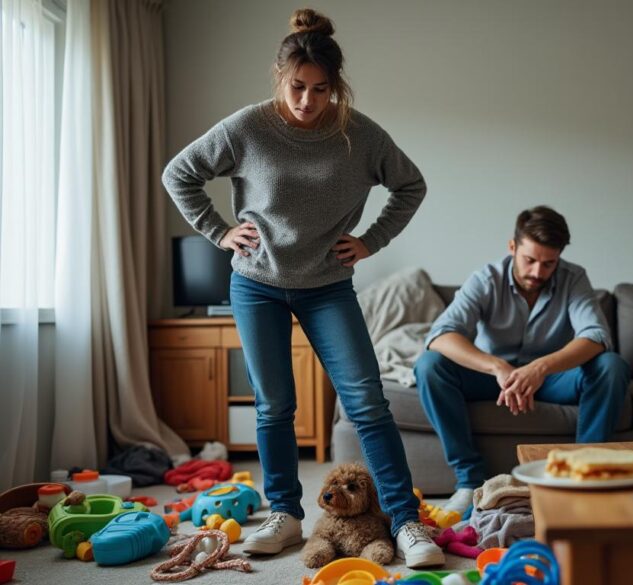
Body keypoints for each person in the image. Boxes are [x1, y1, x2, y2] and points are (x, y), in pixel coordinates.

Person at [162, 8, 444, 568]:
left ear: (335, 87)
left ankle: (406, 522)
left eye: (320, 90)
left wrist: (371, 240)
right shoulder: (247, 126)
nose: (306, 101)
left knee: (367, 402)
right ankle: (285, 514)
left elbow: (410, 185)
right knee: (275, 407)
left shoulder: (358, 134)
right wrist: (220, 230)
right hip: (256, 284)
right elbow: (180, 173)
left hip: (327, 285)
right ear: (280, 77)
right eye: (297, 87)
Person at [415, 206, 630, 512]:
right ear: (512, 247)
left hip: (552, 378)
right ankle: (469, 481)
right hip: (493, 379)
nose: (537, 273)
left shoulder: (574, 278)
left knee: (612, 366)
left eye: (548, 264)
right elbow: (440, 336)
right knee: (429, 366)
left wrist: (540, 368)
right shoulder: (485, 279)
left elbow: (596, 336)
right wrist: (498, 367)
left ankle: (584, 476)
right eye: (530, 260)